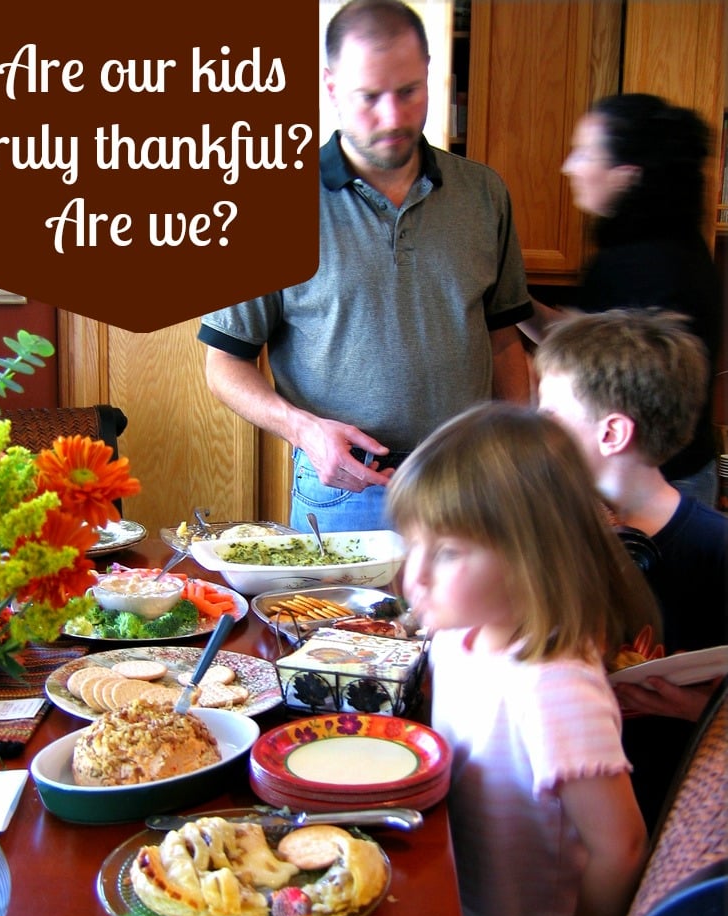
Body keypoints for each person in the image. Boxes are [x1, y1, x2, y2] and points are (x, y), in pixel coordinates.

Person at [198, 0, 532, 533]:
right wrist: (303, 430)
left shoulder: (484, 193)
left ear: (429, 74)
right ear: (330, 87)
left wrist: (522, 451)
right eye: (369, 97)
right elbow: (225, 366)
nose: (393, 117)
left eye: (408, 92)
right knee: (331, 623)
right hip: (345, 488)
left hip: (470, 485)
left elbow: (504, 340)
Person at [387, 402, 649, 916]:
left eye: (447, 553)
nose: (411, 575)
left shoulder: (551, 683)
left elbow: (621, 847)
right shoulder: (461, 635)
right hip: (463, 908)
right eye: (411, 544)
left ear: (533, 556)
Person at [535, 307, 728, 831]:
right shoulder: (545, 536)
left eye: (550, 416)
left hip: (670, 811)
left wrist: (698, 711)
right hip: (557, 813)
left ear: (613, 432)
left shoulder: (716, 549)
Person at [520, 93, 722, 506]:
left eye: (585, 154)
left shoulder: (647, 263)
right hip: (675, 476)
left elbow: (595, 362)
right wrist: (509, 300)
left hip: (652, 489)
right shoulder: (659, 246)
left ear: (626, 174)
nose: (569, 166)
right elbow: (586, 337)